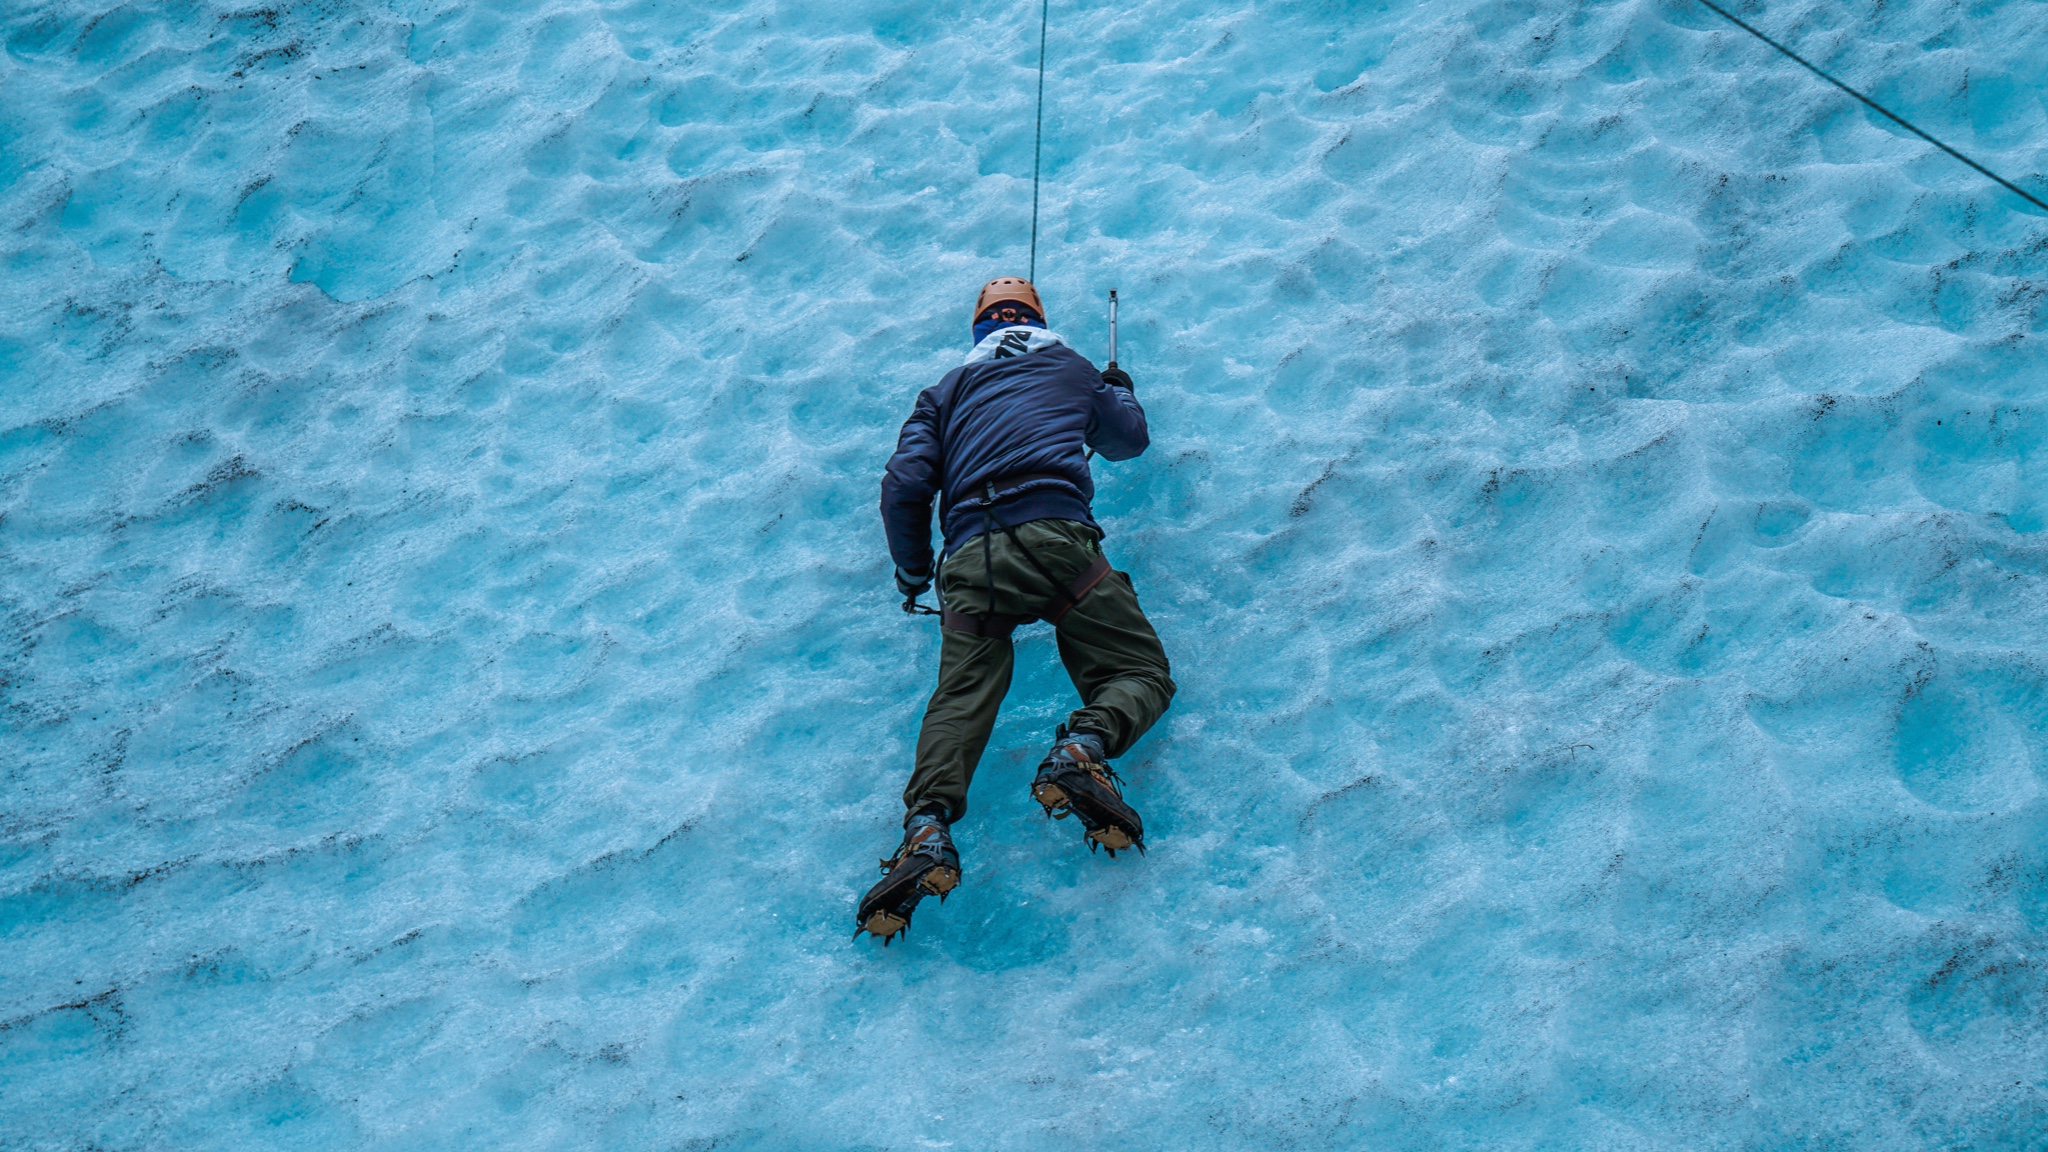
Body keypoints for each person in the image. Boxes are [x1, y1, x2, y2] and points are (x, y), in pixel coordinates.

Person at [856, 277, 1177, 943]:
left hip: (972, 561)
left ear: (978, 332)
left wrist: (914, 571)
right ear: (1038, 320)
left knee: (961, 694)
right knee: (1139, 671)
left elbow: (905, 485)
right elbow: (1128, 440)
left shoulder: (941, 396)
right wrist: (1117, 389)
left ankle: (927, 827)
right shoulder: (1071, 367)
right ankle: (1082, 749)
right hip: (1059, 542)